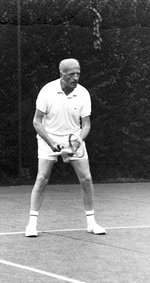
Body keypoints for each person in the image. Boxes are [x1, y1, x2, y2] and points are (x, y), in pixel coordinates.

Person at [25, 58, 106, 237]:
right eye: (71, 74)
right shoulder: (47, 91)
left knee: (86, 179)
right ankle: (32, 224)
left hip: (74, 139)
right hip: (48, 138)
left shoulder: (83, 93)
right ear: (62, 74)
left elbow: (86, 125)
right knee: (42, 179)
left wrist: (76, 143)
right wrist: (52, 143)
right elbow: (37, 122)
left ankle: (92, 223)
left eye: (78, 73)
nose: (76, 77)